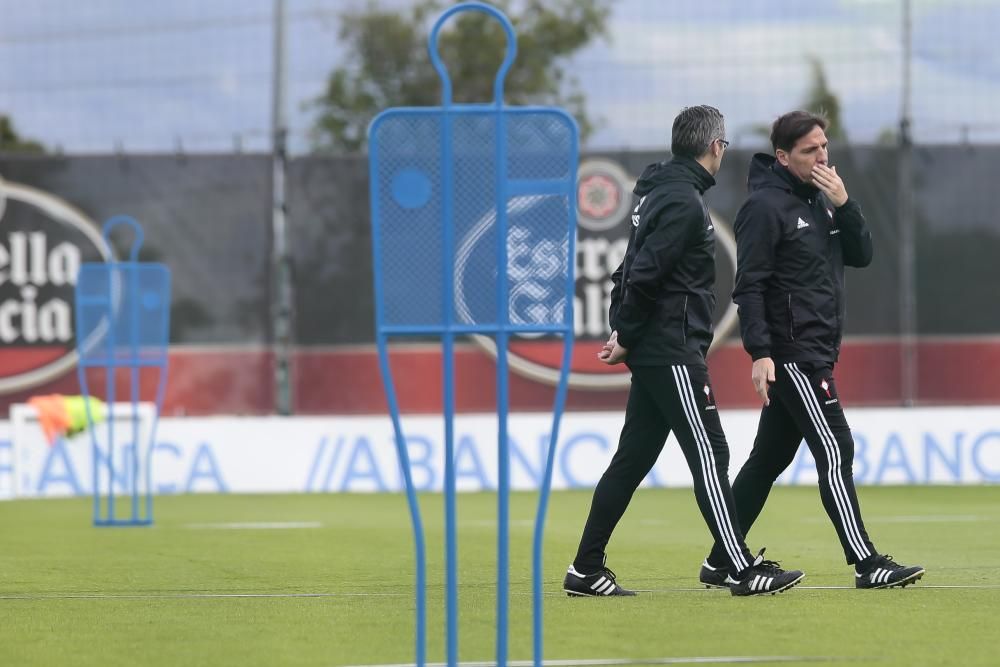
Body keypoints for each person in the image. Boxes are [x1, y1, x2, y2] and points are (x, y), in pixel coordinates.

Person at [562, 105, 804, 598]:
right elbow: (643, 273)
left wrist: (624, 331)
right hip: (670, 348)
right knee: (710, 452)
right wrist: (626, 334)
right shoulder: (681, 201)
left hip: (658, 346)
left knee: (632, 460)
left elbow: (627, 270)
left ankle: (585, 570)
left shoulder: (662, 194)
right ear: (716, 147)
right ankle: (736, 567)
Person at [698, 110, 925, 590]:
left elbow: (861, 255)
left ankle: (721, 559)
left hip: (816, 350)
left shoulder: (822, 202)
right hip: (793, 355)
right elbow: (749, 287)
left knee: (766, 461)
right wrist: (760, 352)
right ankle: (867, 563)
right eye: (810, 151)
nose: (822, 157)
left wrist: (845, 204)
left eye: (824, 147)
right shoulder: (763, 208)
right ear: (783, 157)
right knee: (835, 447)